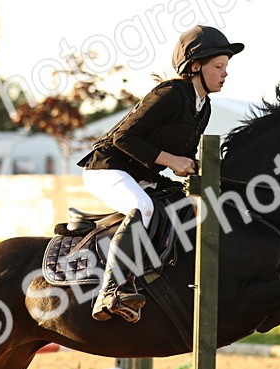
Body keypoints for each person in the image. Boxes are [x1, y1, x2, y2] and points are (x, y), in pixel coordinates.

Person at [77, 25, 244, 322]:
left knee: (186, 210)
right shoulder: (170, 94)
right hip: (107, 168)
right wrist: (171, 160)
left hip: (144, 176)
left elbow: (184, 157)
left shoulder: (203, 107)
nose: (225, 73)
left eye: (226, 67)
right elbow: (123, 138)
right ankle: (110, 291)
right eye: (218, 66)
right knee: (142, 207)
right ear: (195, 66)